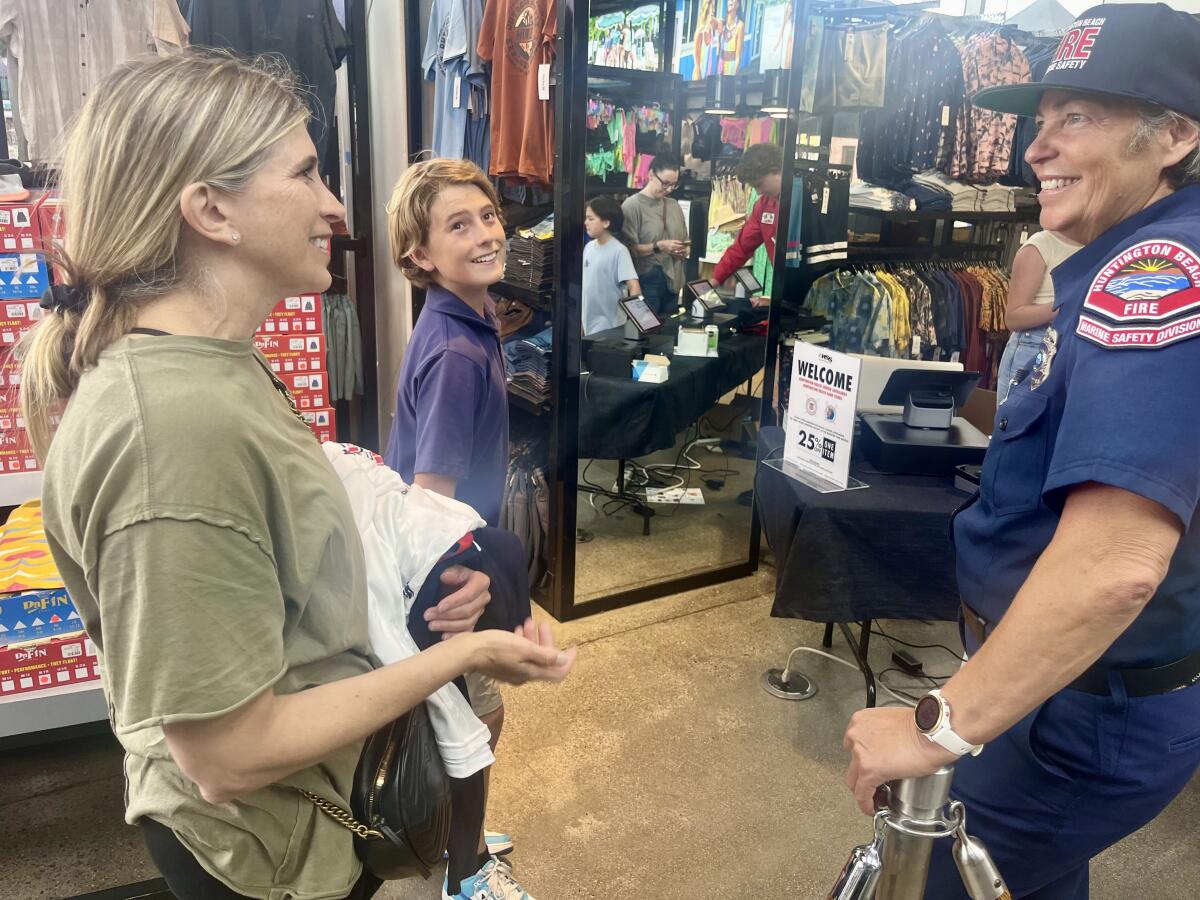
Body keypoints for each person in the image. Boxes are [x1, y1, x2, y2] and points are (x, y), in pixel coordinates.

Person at [21, 53, 576, 900]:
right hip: (267, 850)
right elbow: (227, 755)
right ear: (210, 208)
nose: (335, 204)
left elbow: (283, 532)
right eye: (308, 172)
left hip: (311, 813)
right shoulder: (173, 428)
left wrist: (425, 571)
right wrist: (461, 654)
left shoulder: (217, 371)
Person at [842, 6, 1200, 898]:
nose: (1033, 148)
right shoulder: (1126, 256)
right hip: (1068, 689)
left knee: (918, 883)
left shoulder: (1156, 269)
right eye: (1038, 121)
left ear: (1176, 136)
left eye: (1076, 116)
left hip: (1081, 714)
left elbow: (1117, 561)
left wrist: (942, 724)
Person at [383, 157, 543, 900]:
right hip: (450, 564)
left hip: (469, 547)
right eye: (459, 224)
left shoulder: (472, 320)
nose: (486, 233)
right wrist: (469, 586)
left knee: (473, 711)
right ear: (420, 254)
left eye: (488, 216)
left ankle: (464, 837)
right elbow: (428, 497)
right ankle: (465, 868)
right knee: (474, 715)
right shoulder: (454, 351)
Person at [995, 230, 1081, 403]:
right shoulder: (1041, 245)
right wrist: (1067, 306)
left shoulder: (1103, 244)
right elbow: (1013, 318)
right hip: (1035, 343)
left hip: (1076, 345)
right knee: (1018, 423)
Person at [712, 143, 783, 307]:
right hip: (782, 292)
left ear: (776, 171)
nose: (758, 192)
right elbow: (741, 247)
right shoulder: (763, 205)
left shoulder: (805, 200)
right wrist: (715, 280)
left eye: (759, 184)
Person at [621, 152, 690, 317]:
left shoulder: (674, 205)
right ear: (651, 174)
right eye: (665, 183)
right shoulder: (632, 206)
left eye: (674, 184)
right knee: (648, 334)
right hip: (647, 279)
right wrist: (658, 247)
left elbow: (686, 240)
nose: (669, 189)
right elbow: (628, 251)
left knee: (670, 332)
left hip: (674, 281)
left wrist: (684, 250)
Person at [582, 196, 641, 336]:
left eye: (591, 219)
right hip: (588, 321)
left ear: (606, 222)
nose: (586, 223)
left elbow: (633, 285)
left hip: (610, 326)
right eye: (586, 218)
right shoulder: (588, 247)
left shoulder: (619, 250)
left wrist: (637, 319)